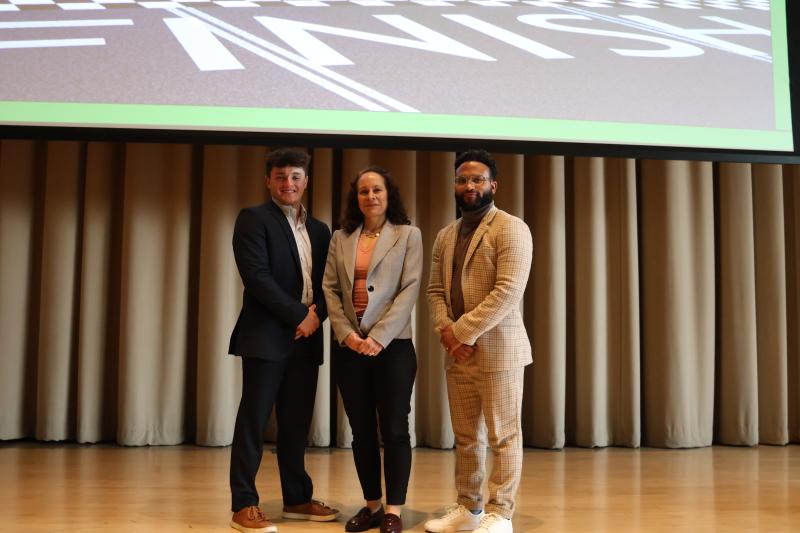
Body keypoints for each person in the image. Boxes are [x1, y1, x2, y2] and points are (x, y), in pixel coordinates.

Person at [228, 148, 338, 533]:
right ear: (267, 181)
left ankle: (297, 498)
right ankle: (243, 504)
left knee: (295, 425)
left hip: (307, 339)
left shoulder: (321, 230)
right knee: (253, 421)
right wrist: (299, 316)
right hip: (266, 336)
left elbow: (329, 284)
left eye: (295, 177)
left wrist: (316, 317)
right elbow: (256, 278)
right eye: (280, 177)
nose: (287, 183)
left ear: (306, 181)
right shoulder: (253, 219)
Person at [425, 150, 533, 533]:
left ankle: (501, 514)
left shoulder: (511, 228)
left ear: (493, 185)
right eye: (462, 180)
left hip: (499, 352)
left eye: (477, 179)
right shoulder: (445, 234)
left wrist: (460, 332)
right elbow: (435, 291)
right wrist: (447, 333)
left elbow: (507, 291)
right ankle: (469, 509)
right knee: (467, 437)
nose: (468, 185)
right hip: (458, 354)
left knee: (504, 435)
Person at [323, 166, 422, 533]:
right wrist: (347, 334)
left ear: (388, 194)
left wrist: (378, 336)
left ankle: (394, 510)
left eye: (377, 189)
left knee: (394, 429)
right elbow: (330, 289)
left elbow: (409, 288)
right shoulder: (340, 238)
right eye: (363, 191)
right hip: (350, 348)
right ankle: (372, 507)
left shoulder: (408, 235)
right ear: (356, 198)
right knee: (361, 430)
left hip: (392, 347)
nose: (370, 196)